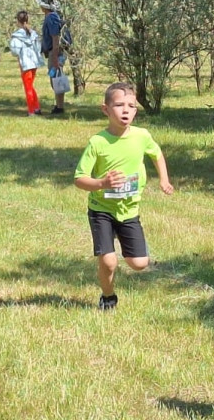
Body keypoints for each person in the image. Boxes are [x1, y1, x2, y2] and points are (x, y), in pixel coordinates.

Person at [73, 82, 174, 310]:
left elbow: (156, 154)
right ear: (105, 110)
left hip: (129, 210)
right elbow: (79, 178)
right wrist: (102, 183)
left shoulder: (141, 136)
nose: (126, 110)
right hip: (102, 210)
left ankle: (120, 239)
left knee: (139, 263)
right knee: (109, 262)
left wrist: (164, 180)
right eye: (119, 105)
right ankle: (108, 297)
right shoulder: (97, 142)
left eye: (131, 105)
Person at [38, 0, 70, 114]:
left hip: (55, 52)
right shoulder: (52, 16)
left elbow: (55, 37)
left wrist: (55, 57)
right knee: (55, 77)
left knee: (56, 78)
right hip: (54, 52)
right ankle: (58, 105)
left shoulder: (51, 17)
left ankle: (60, 107)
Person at [9, 10, 44, 116]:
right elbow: (38, 47)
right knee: (30, 85)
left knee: (27, 87)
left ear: (18, 21)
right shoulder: (33, 33)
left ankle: (31, 110)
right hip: (34, 63)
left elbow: (15, 51)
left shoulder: (17, 36)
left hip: (25, 64)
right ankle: (36, 107)